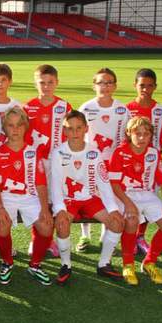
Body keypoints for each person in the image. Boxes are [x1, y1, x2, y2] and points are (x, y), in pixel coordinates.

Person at [49, 111, 125, 283]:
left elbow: (103, 182)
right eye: (70, 129)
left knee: (117, 222)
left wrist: (113, 209)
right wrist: (59, 209)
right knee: (61, 225)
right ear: (64, 131)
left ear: (86, 129)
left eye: (79, 128)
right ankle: (66, 265)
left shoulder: (94, 152)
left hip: (91, 198)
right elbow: (55, 185)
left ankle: (104, 264)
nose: (75, 133)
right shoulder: (58, 153)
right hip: (68, 200)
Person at [108, 116, 162, 286]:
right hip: (124, 195)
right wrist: (129, 204)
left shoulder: (154, 153)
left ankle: (149, 262)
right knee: (131, 220)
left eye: (146, 134)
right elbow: (114, 184)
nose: (141, 138)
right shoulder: (119, 152)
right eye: (137, 133)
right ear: (128, 134)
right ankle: (128, 264)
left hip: (146, 194)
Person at [0, 107, 54, 285]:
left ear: (25, 127)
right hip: (6, 196)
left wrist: (44, 208)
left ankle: (35, 265)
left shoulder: (33, 153)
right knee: (2, 225)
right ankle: (7, 262)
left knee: (47, 226)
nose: (15, 129)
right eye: (10, 125)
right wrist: (0, 209)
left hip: (29, 196)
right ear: (4, 128)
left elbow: (41, 184)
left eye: (19, 125)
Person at [77, 68, 129, 253]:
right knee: (89, 195)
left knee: (110, 199)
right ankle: (85, 235)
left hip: (113, 164)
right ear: (94, 85)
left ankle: (103, 237)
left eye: (109, 82)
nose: (105, 86)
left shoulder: (123, 110)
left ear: (114, 85)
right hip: (88, 162)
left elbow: (126, 138)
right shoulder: (86, 108)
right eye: (101, 82)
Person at [23, 64, 72, 257]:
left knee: (53, 199)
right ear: (36, 83)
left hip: (57, 161)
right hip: (35, 162)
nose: (46, 86)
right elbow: (23, 136)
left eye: (50, 82)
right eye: (42, 82)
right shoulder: (28, 107)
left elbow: (71, 133)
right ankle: (36, 239)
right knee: (37, 200)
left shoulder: (64, 106)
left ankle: (49, 239)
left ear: (57, 83)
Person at [126, 68, 162, 253]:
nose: (145, 89)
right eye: (141, 85)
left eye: (149, 86)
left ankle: (140, 236)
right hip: (130, 164)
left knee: (148, 199)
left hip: (151, 165)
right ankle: (126, 236)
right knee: (130, 201)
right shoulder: (126, 109)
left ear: (155, 87)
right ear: (135, 85)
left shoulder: (161, 110)